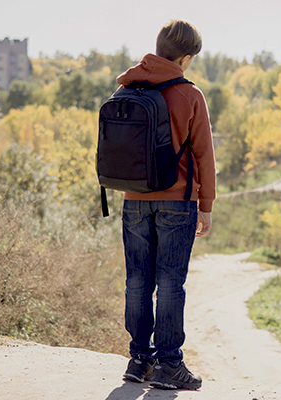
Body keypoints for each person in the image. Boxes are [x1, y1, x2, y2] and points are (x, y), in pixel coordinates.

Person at [115, 19, 216, 391]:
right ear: (186, 58)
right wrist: (206, 204)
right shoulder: (190, 94)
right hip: (177, 201)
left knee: (137, 279)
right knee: (171, 281)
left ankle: (140, 359)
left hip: (133, 200)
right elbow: (204, 155)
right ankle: (170, 365)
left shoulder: (127, 86)